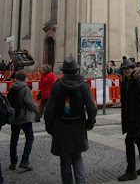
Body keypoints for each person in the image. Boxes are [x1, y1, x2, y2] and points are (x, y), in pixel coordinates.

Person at [44, 56, 97, 184]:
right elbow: (92, 107)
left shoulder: (57, 86)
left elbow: (49, 110)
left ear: (64, 71)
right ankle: (81, 182)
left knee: (65, 160)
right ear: (75, 70)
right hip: (78, 125)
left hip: (61, 126)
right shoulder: (83, 85)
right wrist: (90, 123)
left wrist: (50, 128)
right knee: (77, 156)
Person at [118, 58, 140, 180]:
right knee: (139, 140)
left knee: (129, 141)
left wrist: (139, 119)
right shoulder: (125, 82)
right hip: (129, 117)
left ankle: (131, 171)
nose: (127, 71)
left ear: (132, 69)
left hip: (136, 118)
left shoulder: (137, 81)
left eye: (128, 69)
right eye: (124, 69)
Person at [8, 69, 38, 171]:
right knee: (29, 138)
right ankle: (24, 160)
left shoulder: (12, 87)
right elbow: (30, 103)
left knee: (14, 140)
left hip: (15, 117)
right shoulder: (25, 89)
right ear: (25, 78)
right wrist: (35, 107)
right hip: (24, 117)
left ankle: (13, 161)